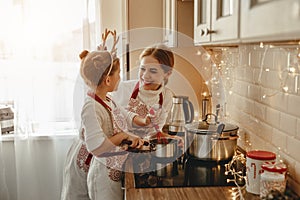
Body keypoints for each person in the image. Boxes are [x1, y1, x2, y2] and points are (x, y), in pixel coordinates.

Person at [61, 29, 145, 200]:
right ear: (107, 80)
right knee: (79, 195)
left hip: (98, 160)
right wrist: (122, 135)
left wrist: (140, 122)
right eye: (118, 74)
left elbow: (122, 113)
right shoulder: (91, 107)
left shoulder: (105, 98)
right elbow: (98, 146)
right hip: (89, 160)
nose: (120, 78)